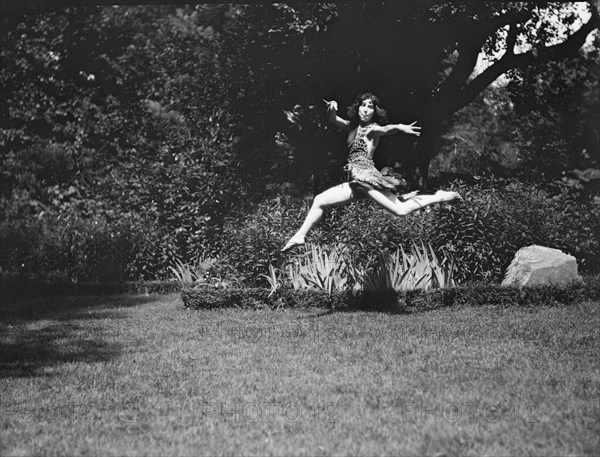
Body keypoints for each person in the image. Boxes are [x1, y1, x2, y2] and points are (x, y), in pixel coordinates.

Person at [281, 92, 460, 252]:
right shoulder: (351, 127)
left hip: (366, 178)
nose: (366, 110)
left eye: (370, 107)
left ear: (374, 112)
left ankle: (438, 196)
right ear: (358, 108)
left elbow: (386, 130)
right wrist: (332, 107)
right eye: (363, 106)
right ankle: (300, 235)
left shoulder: (371, 129)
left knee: (400, 211)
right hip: (356, 182)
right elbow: (333, 119)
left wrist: (399, 126)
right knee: (319, 200)